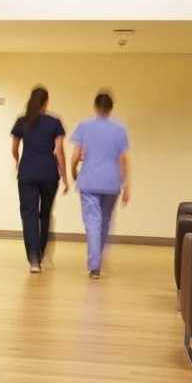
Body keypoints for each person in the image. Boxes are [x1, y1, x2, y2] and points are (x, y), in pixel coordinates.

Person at [70, 91, 131, 279]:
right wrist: (126, 184)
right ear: (111, 108)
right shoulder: (119, 129)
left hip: (89, 180)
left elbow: (76, 154)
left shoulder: (84, 126)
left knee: (92, 222)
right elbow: (123, 159)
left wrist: (73, 172)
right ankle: (98, 258)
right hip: (112, 182)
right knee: (104, 221)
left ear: (95, 107)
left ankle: (94, 266)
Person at [11, 86, 68, 273]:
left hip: (27, 173)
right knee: (44, 214)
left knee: (29, 214)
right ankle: (41, 255)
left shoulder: (22, 121)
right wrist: (65, 177)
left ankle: (34, 259)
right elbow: (59, 151)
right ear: (46, 102)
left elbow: (14, 148)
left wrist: (17, 161)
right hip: (49, 174)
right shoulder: (54, 122)